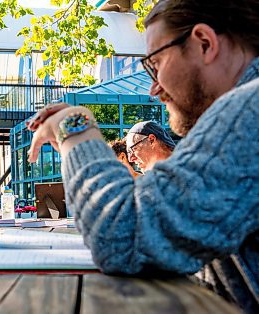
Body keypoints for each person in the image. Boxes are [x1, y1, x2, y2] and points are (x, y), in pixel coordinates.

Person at [26, 0, 258, 312]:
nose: (153, 88)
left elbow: (124, 236)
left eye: (155, 64)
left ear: (204, 42)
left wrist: (75, 127)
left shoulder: (248, 108)